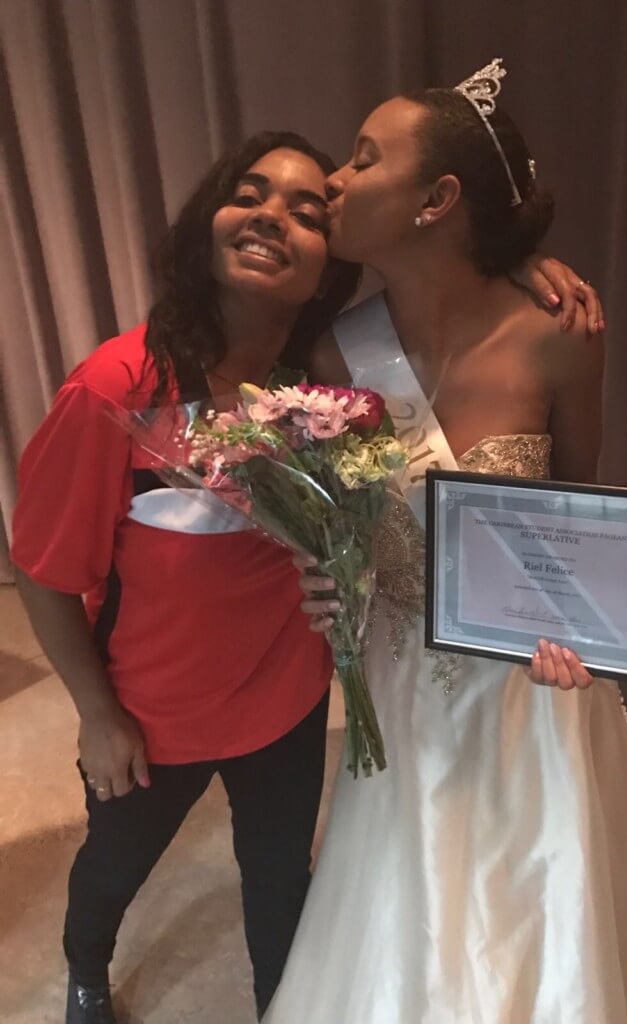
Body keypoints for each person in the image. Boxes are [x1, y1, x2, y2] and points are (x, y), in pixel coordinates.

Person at [11, 122, 596, 1023]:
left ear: (330, 261)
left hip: (287, 700)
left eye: (306, 208)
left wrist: (528, 262)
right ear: (206, 221)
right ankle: (87, 971)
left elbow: (444, 292)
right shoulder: (116, 387)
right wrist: (96, 714)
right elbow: (44, 571)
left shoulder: (327, 379)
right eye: (247, 194)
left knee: (284, 881)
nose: (269, 217)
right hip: (152, 712)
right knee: (114, 865)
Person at [265, 69, 627, 1023]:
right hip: (399, 684)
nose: (334, 182)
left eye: (364, 159)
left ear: (437, 201)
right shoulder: (332, 358)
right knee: (407, 900)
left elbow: (583, 511)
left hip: (529, 684)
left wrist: (586, 632)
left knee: (535, 906)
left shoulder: (560, 333)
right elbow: (340, 527)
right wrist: (328, 580)